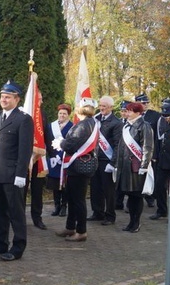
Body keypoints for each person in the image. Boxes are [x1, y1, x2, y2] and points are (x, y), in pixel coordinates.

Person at [0, 80, 33, 261]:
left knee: (16, 212)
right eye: (2, 96)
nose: (4, 100)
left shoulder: (23, 119)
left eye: (8, 97)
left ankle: (18, 247)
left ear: (16, 99)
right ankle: (0, 244)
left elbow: (24, 149)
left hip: (12, 174)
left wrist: (20, 173)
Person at [53, 98, 99, 242]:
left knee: (78, 200)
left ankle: (81, 231)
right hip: (77, 166)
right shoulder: (90, 123)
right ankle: (70, 226)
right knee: (72, 198)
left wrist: (61, 142)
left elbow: (71, 145)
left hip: (78, 166)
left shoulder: (84, 125)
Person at [115, 102, 154, 233]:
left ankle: (136, 223)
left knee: (136, 196)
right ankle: (131, 222)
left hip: (136, 167)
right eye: (126, 111)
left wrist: (144, 165)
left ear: (138, 113)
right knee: (130, 196)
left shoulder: (144, 126)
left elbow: (147, 147)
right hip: (125, 166)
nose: (127, 113)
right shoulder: (126, 125)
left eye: (130, 111)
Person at [88, 96, 122, 225]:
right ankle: (97, 212)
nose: (101, 108)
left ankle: (110, 215)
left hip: (107, 160)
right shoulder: (95, 119)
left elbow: (118, 144)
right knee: (95, 188)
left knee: (108, 190)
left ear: (111, 108)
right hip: (94, 158)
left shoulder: (117, 123)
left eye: (104, 106)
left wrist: (113, 163)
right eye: (100, 106)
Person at [25, 92, 51, 230]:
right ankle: (18, 218)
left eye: (41, 99)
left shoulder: (43, 114)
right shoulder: (25, 112)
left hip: (39, 157)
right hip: (25, 157)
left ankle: (37, 218)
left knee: (37, 190)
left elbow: (47, 134)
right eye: (38, 99)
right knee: (21, 190)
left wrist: (50, 153)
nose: (40, 102)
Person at [47, 104, 73, 218]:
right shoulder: (51, 126)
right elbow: (48, 141)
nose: (62, 115)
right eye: (60, 113)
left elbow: (72, 143)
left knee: (65, 184)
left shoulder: (72, 126)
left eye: (64, 114)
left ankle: (64, 206)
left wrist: (63, 155)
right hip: (53, 159)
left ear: (68, 115)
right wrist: (52, 155)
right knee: (55, 184)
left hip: (65, 159)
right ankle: (56, 206)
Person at [137, 93, 160, 208]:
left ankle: (150, 197)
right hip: (135, 150)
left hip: (149, 150)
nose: (145, 104)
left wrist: (155, 153)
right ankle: (136, 198)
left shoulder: (155, 115)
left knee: (150, 174)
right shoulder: (133, 115)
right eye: (143, 103)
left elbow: (157, 135)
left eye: (146, 102)